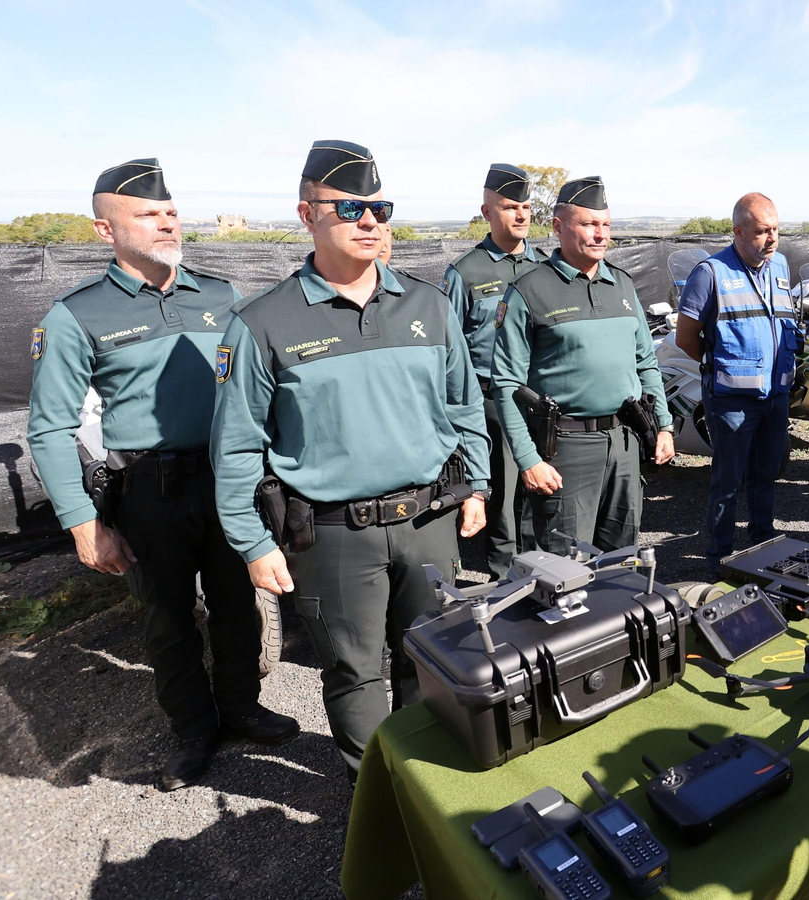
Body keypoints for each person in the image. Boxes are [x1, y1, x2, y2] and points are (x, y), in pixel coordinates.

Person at [211, 140, 491, 777]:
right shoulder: (262, 323)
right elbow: (236, 445)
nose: (369, 221)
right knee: (353, 674)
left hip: (429, 521)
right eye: (349, 209)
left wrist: (476, 483)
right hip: (333, 535)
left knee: (435, 661)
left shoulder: (428, 305)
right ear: (307, 215)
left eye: (379, 209)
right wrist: (253, 544)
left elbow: (464, 404)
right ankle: (377, 804)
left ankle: (431, 791)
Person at [27, 159, 297, 792]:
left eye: (170, 211)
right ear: (105, 230)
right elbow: (48, 428)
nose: (166, 222)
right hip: (150, 491)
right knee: (168, 620)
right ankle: (193, 730)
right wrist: (83, 524)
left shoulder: (221, 296)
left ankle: (241, 707)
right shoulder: (76, 315)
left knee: (237, 607)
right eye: (147, 214)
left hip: (228, 481)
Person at [491, 176, 674, 557]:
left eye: (606, 224)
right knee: (564, 567)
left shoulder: (622, 285)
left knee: (621, 561)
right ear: (558, 226)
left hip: (625, 442)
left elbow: (645, 363)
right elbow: (506, 384)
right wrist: (528, 460)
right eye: (589, 224)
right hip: (565, 450)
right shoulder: (529, 290)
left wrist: (664, 426)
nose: (601, 234)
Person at [675, 193, 800, 577]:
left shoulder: (780, 265)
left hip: (775, 396)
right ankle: (720, 558)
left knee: (765, 477)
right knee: (727, 483)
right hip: (731, 402)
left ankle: (763, 546)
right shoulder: (710, 273)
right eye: (762, 231)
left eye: (776, 229)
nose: (772, 238)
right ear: (739, 232)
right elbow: (686, 337)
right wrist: (721, 366)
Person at [442, 164, 547, 576]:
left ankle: (541, 572)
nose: (521, 215)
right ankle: (505, 578)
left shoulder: (545, 267)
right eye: (509, 207)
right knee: (502, 495)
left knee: (539, 491)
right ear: (487, 212)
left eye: (526, 206)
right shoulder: (466, 273)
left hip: (540, 401)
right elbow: (450, 350)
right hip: (492, 403)